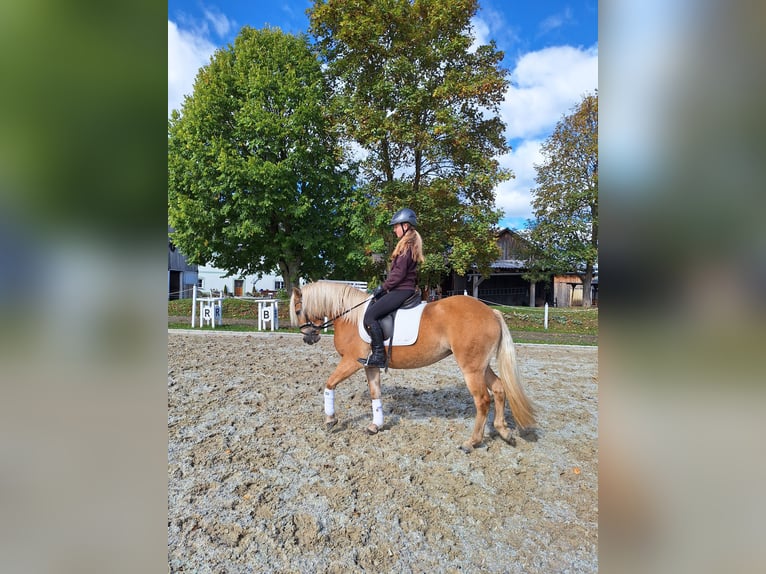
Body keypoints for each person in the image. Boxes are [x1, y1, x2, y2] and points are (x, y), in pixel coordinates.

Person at [359, 208, 425, 367]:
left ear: (406, 226)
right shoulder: (409, 244)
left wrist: (383, 287)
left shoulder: (406, 246)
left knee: (370, 316)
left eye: (396, 226)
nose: (394, 229)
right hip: (402, 289)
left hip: (401, 290)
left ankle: (379, 355)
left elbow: (398, 274)